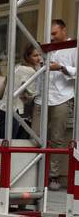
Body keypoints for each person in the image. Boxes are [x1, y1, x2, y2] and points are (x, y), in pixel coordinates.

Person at [33, 19, 77, 191]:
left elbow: (76, 71)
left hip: (62, 97)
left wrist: (61, 67)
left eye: (54, 33)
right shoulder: (46, 48)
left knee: (57, 138)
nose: (51, 37)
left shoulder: (73, 47)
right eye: (49, 34)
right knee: (35, 137)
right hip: (41, 98)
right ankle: (34, 174)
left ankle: (54, 176)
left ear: (64, 31)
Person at [0, 43, 42, 139]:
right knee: (10, 144)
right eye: (35, 55)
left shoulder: (18, 67)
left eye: (40, 55)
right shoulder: (29, 71)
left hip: (2, 108)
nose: (39, 58)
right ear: (27, 57)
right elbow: (32, 94)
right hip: (13, 111)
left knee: (2, 143)